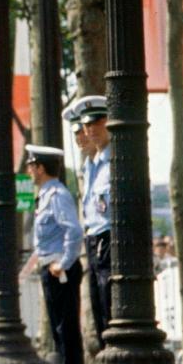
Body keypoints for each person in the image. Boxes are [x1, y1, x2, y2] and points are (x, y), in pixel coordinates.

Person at [23, 145, 85, 364]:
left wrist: (65, 262)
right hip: (51, 267)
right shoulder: (46, 194)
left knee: (66, 326)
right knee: (60, 328)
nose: (28, 171)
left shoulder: (57, 194)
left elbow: (73, 230)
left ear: (40, 167)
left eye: (30, 166)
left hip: (60, 269)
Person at [73, 95, 112, 350]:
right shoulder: (92, 166)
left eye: (96, 123)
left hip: (110, 237)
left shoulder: (113, 160)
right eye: (87, 126)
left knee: (109, 300)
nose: (90, 130)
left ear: (108, 122)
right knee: (98, 303)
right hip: (94, 238)